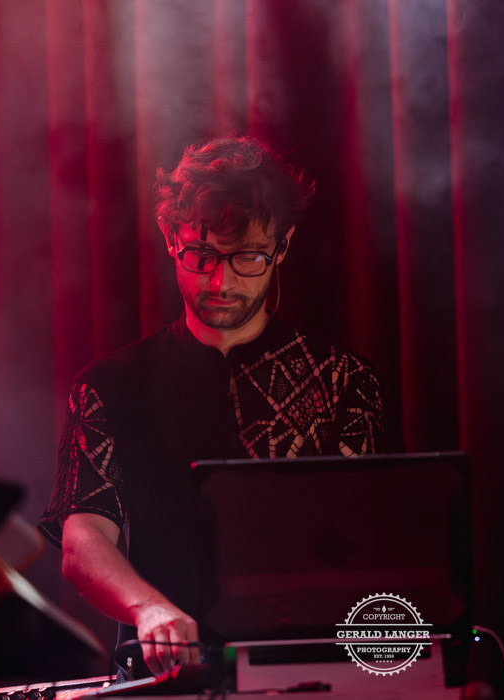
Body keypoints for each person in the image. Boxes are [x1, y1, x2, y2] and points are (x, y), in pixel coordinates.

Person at [37, 136, 395, 677]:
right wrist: (148, 608)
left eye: (248, 256)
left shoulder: (344, 381)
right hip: (167, 678)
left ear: (283, 246)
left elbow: (381, 545)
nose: (222, 281)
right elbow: (83, 541)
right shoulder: (109, 386)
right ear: (170, 239)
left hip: (314, 676)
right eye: (202, 255)